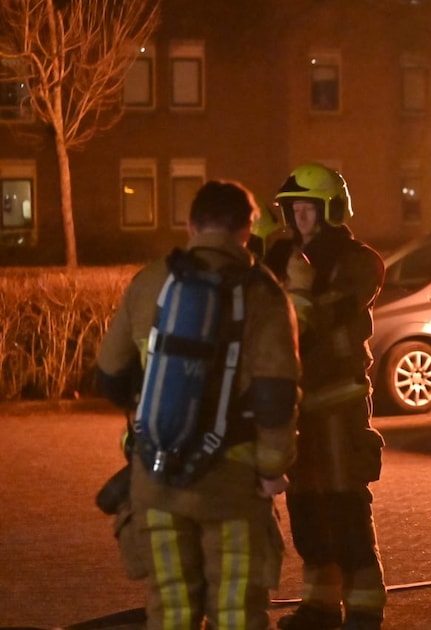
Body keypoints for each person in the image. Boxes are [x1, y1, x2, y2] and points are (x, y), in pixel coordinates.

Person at [95, 180, 301, 629]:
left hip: (156, 476)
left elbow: (109, 377)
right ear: (248, 229)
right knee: (235, 611)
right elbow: (276, 394)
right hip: (233, 485)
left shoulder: (151, 281)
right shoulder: (265, 293)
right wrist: (271, 467)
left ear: (190, 223)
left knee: (170, 609)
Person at [264, 163, 388, 630]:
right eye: (294, 211)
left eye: (309, 211)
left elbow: (323, 316)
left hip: (339, 401)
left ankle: (364, 605)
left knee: (344, 501)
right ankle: (320, 603)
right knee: (307, 505)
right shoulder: (282, 257)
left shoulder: (360, 261)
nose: (301, 221)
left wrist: (295, 286)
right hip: (297, 402)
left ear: (331, 211)